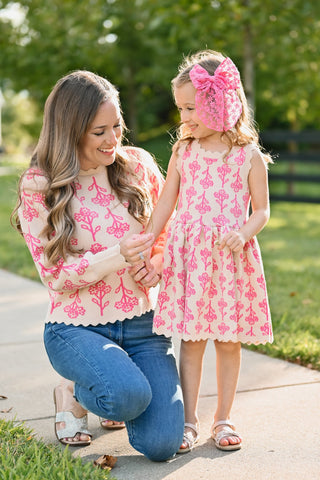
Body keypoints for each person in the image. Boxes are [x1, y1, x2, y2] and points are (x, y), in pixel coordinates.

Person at [11, 70, 184, 460]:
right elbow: (55, 276)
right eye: (99, 132)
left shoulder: (138, 165)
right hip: (76, 328)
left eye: (117, 127)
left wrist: (157, 262)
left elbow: (169, 230)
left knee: (162, 445)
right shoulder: (41, 185)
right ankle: (74, 390)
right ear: (70, 131)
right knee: (126, 397)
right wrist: (117, 255)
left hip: (144, 323)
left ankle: (114, 385)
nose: (113, 140)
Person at [138, 50, 273, 453]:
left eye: (191, 108)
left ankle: (224, 418)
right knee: (192, 341)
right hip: (190, 259)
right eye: (180, 109)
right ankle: (189, 420)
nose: (184, 118)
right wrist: (148, 240)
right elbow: (166, 202)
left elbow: (262, 209)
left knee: (228, 342)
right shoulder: (185, 151)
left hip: (230, 258)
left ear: (220, 103)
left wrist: (244, 231)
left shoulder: (248, 157)